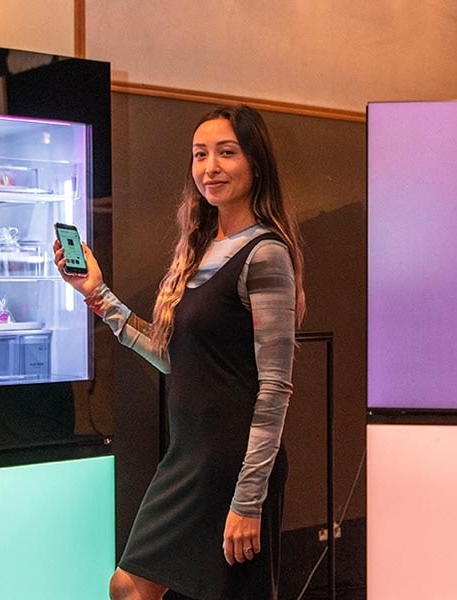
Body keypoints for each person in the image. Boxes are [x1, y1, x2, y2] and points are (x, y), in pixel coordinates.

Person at [54, 104, 305, 600]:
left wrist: (248, 499)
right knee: (128, 587)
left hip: (235, 462)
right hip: (188, 457)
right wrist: (96, 295)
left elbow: (275, 387)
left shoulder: (267, 254)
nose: (210, 167)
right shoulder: (200, 248)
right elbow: (180, 360)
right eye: (200, 155)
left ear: (255, 163)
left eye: (226, 153)